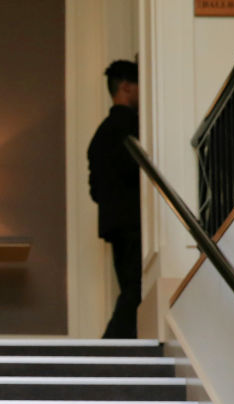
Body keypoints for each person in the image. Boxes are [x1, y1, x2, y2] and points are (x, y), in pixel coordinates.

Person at [87, 59, 141, 338]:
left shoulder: (100, 135)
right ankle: (111, 344)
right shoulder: (134, 127)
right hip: (136, 221)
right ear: (126, 87)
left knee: (131, 288)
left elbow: (95, 188)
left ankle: (117, 346)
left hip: (114, 223)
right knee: (136, 290)